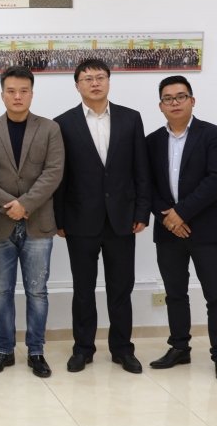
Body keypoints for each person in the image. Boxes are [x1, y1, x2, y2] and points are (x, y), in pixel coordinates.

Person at [53, 59, 151, 374]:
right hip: (80, 219)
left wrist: (142, 211)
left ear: (109, 81)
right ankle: (83, 349)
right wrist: (59, 219)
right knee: (83, 289)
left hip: (122, 218)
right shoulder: (63, 123)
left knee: (121, 288)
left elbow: (141, 168)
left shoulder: (130, 118)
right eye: (87, 79)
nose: (94, 83)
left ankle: (122, 349)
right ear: (77, 85)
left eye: (100, 77)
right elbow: (60, 176)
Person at [145, 76, 217, 384]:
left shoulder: (212, 134)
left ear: (192, 100)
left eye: (181, 96)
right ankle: (179, 348)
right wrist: (168, 218)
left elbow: (215, 180)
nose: (175, 102)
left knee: (215, 294)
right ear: (160, 106)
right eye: (168, 98)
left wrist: (181, 213)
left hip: (206, 229)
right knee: (174, 293)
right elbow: (147, 185)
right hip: (167, 231)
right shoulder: (152, 141)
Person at [0, 66, 63, 378]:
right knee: (1, 291)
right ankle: (4, 350)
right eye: (11, 91)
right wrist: (9, 206)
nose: (17, 96)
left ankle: (36, 351)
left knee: (37, 291)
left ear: (31, 93)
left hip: (38, 223)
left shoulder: (50, 129)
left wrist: (25, 204)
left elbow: (53, 172)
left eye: (23, 91)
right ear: (2, 94)